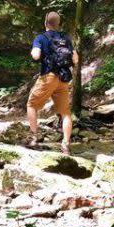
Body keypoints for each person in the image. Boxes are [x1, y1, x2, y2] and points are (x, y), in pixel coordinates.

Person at [25, 11, 78, 154]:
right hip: (64, 78)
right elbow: (75, 59)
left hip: (48, 77)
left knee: (31, 105)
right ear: (58, 23)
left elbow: (36, 56)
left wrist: (34, 52)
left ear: (45, 23)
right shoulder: (66, 38)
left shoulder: (41, 38)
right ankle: (66, 144)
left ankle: (33, 138)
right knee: (66, 113)